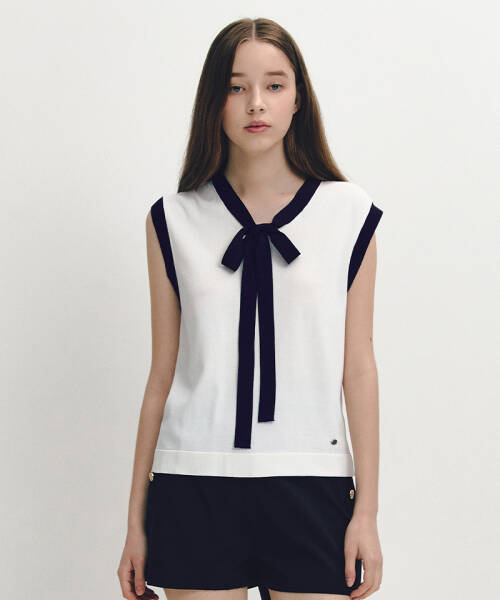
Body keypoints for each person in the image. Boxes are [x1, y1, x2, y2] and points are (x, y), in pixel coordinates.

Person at [117, 17, 383, 600]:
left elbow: (359, 368)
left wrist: (366, 512)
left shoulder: (349, 213)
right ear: (213, 101)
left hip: (312, 480)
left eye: (274, 85)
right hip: (195, 479)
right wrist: (135, 522)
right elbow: (163, 373)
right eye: (235, 87)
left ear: (298, 99)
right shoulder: (173, 218)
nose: (255, 103)